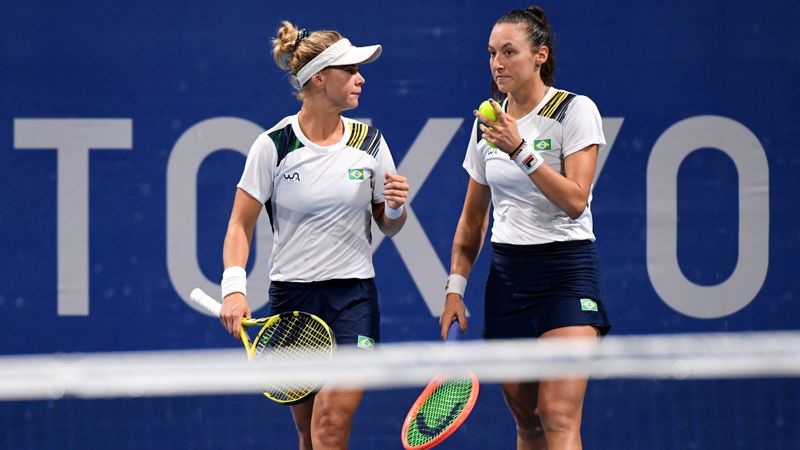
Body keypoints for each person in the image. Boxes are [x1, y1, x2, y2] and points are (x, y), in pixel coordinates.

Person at [218, 21, 409, 450]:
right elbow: (238, 224)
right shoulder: (274, 146)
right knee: (309, 436)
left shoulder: (370, 143)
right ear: (320, 79)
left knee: (329, 425)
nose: (361, 78)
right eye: (350, 69)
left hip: (353, 300)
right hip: (293, 301)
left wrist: (395, 206)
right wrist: (234, 289)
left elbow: (388, 224)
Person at [439, 6, 611, 450]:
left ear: (540, 55)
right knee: (528, 422)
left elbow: (576, 200)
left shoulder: (575, 110)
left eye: (509, 52)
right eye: (492, 53)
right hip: (508, 279)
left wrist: (521, 150)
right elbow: (472, 219)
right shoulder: (487, 123)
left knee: (557, 416)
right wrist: (455, 288)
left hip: (566, 274)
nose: (498, 63)